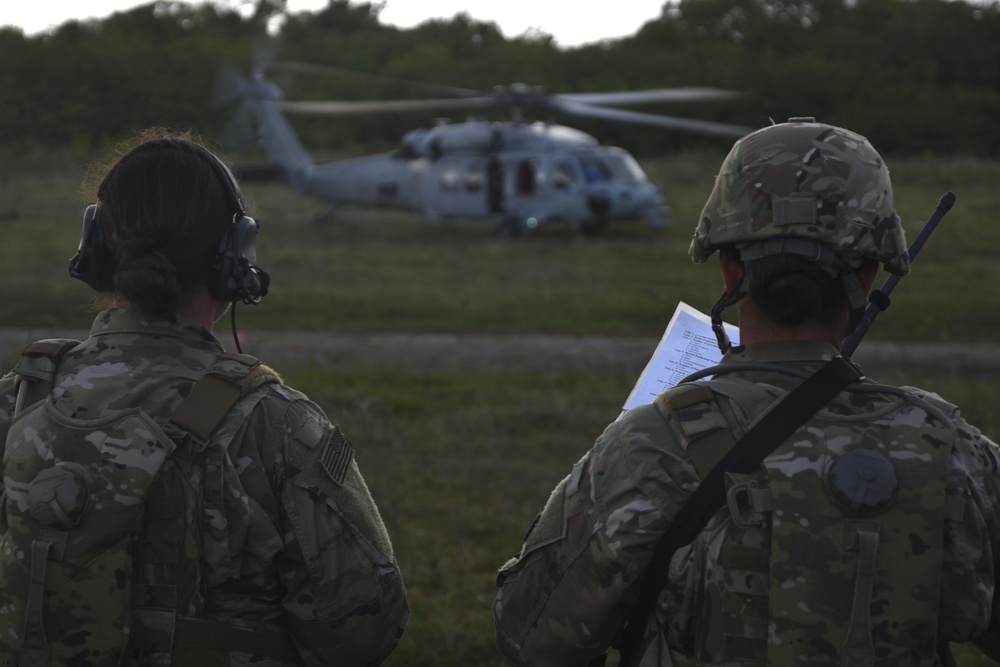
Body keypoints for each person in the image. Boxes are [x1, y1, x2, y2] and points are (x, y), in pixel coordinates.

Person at [493, 118, 1000, 666]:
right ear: (869, 275)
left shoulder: (646, 448)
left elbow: (530, 639)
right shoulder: (954, 453)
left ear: (730, 270)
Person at [0, 129, 409, 665]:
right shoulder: (276, 424)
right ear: (233, 257)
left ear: (96, 249)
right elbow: (362, 633)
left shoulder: (18, 402)